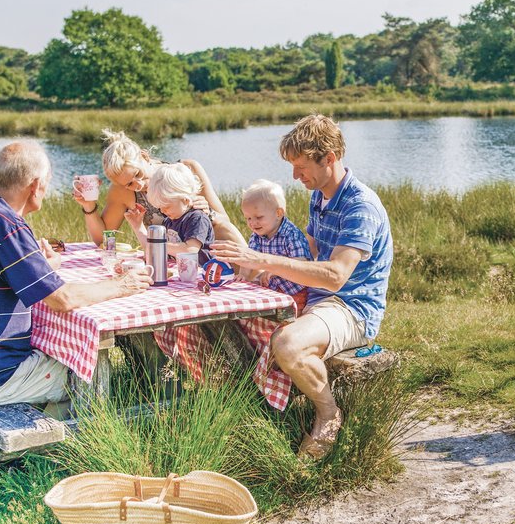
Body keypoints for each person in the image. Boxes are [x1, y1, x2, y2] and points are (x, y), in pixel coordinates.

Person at [0, 141, 152, 437]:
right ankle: (33, 439)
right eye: (47, 183)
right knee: (82, 370)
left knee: (62, 353)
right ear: (35, 186)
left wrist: (42, 266)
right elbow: (62, 299)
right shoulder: (6, 225)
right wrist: (122, 285)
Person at [211, 114, 393, 459]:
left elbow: (336, 275)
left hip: (350, 307)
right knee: (231, 320)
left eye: (301, 166)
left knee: (288, 343)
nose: (295, 176)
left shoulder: (360, 206)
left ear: (329, 159)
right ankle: (254, 412)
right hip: (317, 300)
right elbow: (310, 248)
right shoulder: (320, 196)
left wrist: (262, 260)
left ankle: (328, 412)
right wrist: (262, 268)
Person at [74, 129, 243, 246]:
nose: (138, 185)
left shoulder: (188, 170)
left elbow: (225, 223)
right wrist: (88, 207)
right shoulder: (122, 192)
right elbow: (104, 240)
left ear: (144, 156)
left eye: (138, 174)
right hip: (166, 260)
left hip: (207, 253)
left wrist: (208, 213)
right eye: (129, 184)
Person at [238, 179, 312, 309]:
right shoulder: (257, 235)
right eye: (248, 218)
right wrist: (243, 275)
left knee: (287, 313)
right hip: (273, 289)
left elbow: (301, 262)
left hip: (295, 291)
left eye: (259, 217)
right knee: (248, 294)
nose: (252, 223)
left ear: (278, 213)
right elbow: (248, 257)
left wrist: (276, 269)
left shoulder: (291, 234)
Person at [124, 163, 215, 263]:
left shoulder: (197, 218)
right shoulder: (169, 221)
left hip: (202, 274)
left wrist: (157, 244)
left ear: (185, 200)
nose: (162, 211)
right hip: (178, 273)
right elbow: (151, 249)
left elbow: (189, 250)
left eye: (166, 206)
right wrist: (138, 227)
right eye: (159, 208)